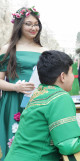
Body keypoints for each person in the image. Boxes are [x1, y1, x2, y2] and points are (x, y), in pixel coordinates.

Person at [5, 50, 80, 161]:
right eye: (71, 72)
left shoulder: (38, 92)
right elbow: (68, 145)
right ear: (62, 76)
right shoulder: (60, 96)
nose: (73, 77)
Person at [0, 6, 46, 160]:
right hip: (13, 101)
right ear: (19, 25)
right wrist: (15, 87)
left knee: (36, 143)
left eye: (36, 24)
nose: (34, 28)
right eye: (29, 24)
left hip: (37, 101)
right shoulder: (8, 49)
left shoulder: (44, 50)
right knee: (14, 143)